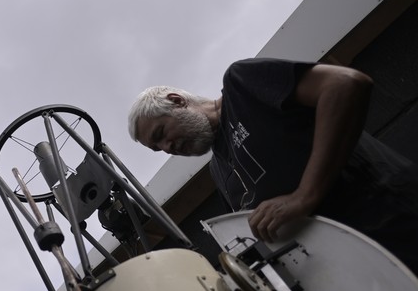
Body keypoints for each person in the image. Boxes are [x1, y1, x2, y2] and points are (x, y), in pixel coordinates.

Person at [127, 57, 418, 273]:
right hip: (361, 270)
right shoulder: (220, 171)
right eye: (158, 149)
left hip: (395, 222)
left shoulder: (241, 84)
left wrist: (305, 196)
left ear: (177, 101)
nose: (168, 148)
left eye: (161, 134)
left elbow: (345, 84)